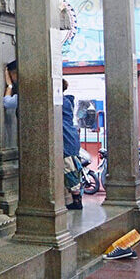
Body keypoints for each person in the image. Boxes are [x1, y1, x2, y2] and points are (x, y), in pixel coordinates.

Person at [62, 79, 83, 210]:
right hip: (71, 139)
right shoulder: (67, 102)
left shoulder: (61, 102)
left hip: (66, 140)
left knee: (70, 170)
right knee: (73, 169)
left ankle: (77, 200)